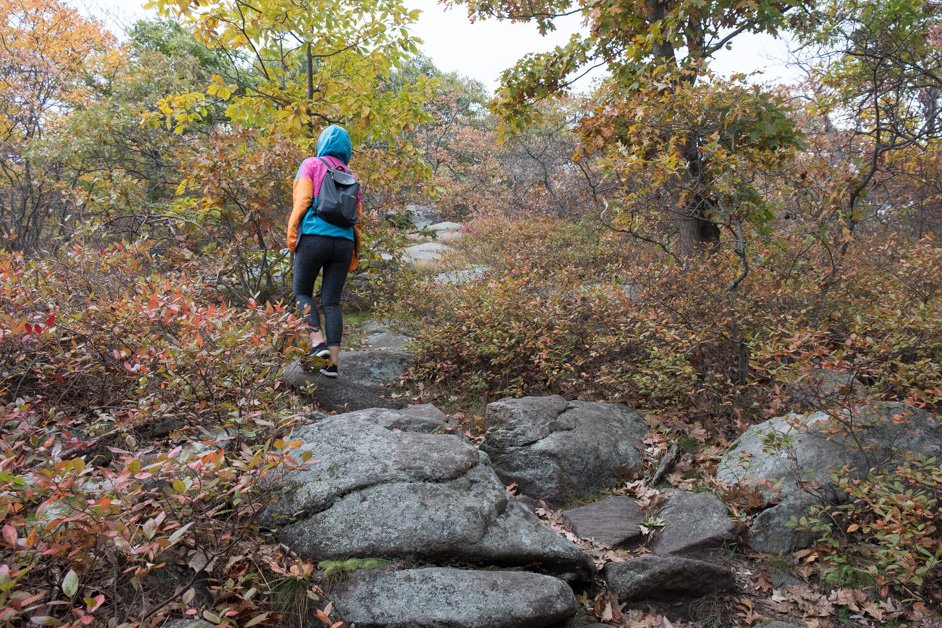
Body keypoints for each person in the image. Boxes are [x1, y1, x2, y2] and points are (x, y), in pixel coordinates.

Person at [286, 124, 362, 378]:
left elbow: (302, 202)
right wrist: (355, 251)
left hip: (313, 238)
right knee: (331, 301)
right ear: (346, 150)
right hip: (343, 243)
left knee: (301, 292)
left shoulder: (311, 164)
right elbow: (357, 218)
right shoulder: (351, 175)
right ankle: (333, 363)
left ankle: (317, 343)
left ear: (322, 143)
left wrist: (292, 238)